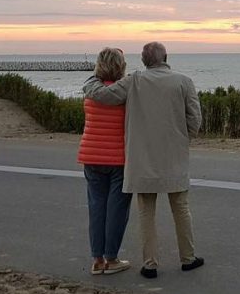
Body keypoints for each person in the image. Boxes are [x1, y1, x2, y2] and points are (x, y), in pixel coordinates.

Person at [83, 41, 204, 279]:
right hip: (174, 155)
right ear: (166, 57)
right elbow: (195, 121)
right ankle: (188, 258)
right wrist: (182, 138)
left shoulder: (134, 81)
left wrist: (91, 79)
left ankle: (150, 264)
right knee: (180, 207)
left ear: (143, 60)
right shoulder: (184, 81)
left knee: (146, 210)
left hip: (142, 157)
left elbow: (103, 95)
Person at [77, 48, 132, 276]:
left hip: (91, 155)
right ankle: (112, 258)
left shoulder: (90, 90)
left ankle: (97, 259)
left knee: (96, 208)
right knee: (117, 209)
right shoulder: (125, 93)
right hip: (118, 157)